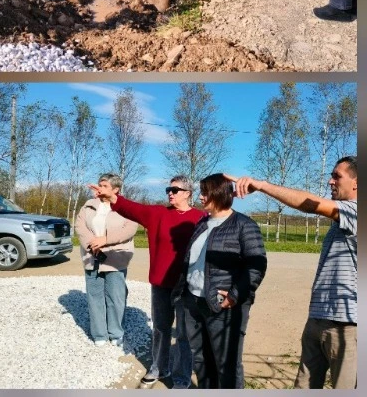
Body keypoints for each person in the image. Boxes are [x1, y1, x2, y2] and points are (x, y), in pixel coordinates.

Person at [228, 156, 357, 389]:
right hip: (318, 318)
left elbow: (311, 204)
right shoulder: (341, 223)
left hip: (347, 325)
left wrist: (263, 185)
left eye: (337, 176)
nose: (330, 181)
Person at [91, 175, 205, 388]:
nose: (170, 193)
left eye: (175, 190)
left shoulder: (201, 218)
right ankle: (159, 368)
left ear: (188, 193)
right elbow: (131, 208)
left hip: (187, 286)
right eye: (167, 190)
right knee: (161, 329)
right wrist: (111, 196)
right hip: (161, 283)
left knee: (184, 333)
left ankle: (182, 377)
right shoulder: (158, 214)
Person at [172, 173, 267, 389]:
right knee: (202, 361)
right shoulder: (203, 223)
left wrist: (235, 295)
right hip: (194, 302)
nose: (201, 198)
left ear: (218, 193)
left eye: (205, 193)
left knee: (227, 365)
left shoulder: (244, 225)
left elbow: (257, 265)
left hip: (224, 308)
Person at [76, 173, 138, 348]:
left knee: (116, 296)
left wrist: (105, 240)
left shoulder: (125, 207)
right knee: (94, 296)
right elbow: (79, 226)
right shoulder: (89, 206)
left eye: (104, 186)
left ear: (115, 189)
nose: (99, 188)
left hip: (116, 258)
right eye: (99, 184)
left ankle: (116, 332)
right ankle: (99, 334)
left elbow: (130, 229)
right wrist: (91, 243)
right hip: (91, 256)